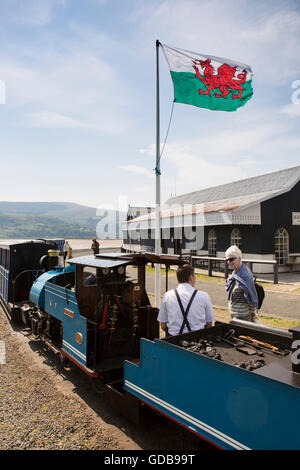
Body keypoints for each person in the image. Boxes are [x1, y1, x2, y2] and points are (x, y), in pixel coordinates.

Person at [157, 264, 214, 336]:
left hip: (173, 340)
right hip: (197, 340)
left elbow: (163, 325)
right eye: (194, 276)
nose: (195, 279)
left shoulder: (167, 296)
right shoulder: (204, 296)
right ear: (190, 277)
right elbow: (209, 323)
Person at [225, 245, 259, 322]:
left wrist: (254, 313)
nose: (229, 262)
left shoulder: (245, 275)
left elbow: (251, 295)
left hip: (243, 315)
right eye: (227, 260)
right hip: (234, 314)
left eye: (231, 259)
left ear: (239, 258)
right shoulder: (234, 273)